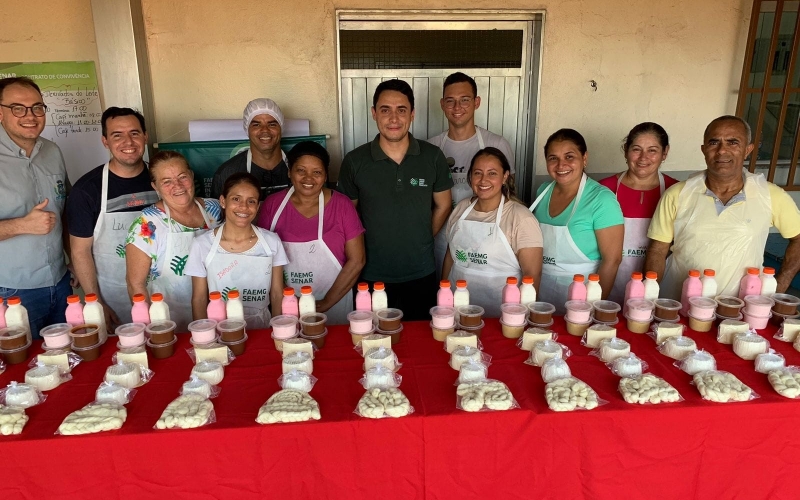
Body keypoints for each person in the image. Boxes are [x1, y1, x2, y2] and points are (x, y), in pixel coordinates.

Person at [646, 115, 800, 299]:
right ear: (704, 150)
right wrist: (650, 299)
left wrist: (776, 290)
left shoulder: (770, 196)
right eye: (713, 142)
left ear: (748, 150)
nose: (722, 151)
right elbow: (657, 249)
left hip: (742, 308)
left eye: (733, 142)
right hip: (679, 303)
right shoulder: (678, 194)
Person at [338, 79, 453, 321]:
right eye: (385, 110)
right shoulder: (355, 161)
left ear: (412, 114)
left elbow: (444, 204)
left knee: (420, 346)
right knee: (372, 343)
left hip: (421, 272)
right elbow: (346, 217)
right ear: (373, 113)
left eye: (401, 110)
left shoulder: (432, 157)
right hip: (370, 274)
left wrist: (421, 236)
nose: (393, 118)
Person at [67, 107, 159, 328]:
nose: (128, 142)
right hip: (114, 297)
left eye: (134, 133)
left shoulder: (163, 179)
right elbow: (80, 252)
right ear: (105, 141)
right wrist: (96, 303)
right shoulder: (87, 190)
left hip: (164, 294)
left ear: (145, 136)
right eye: (117, 135)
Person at [258, 141, 365, 325]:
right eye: (301, 170)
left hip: (335, 305)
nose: (309, 178)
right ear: (290, 172)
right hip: (287, 305)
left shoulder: (342, 205)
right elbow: (262, 260)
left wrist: (325, 304)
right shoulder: (272, 205)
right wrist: (290, 300)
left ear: (325, 176)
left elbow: (357, 260)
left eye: (317, 172)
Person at [0, 77, 73, 339]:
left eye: (37, 107)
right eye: (18, 108)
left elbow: (65, 209)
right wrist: (22, 225)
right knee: (19, 372)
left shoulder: (52, 151)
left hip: (61, 282)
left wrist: (74, 262)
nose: (30, 116)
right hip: (11, 292)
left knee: (68, 361)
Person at [428, 72, 517, 278]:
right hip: (440, 237)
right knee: (443, 293)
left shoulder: (496, 144)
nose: (457, 107)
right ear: (442, 104)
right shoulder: (431, 147)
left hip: (487, 238)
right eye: (450, 101)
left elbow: (511, 195)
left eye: (464, 100)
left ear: (476, 102)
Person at [529, 129, 624, 313]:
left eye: (569, 156)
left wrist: (592, 307)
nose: (561, 165)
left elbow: (612, 260)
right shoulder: (543, 191)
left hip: (582, 293)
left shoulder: (602, 200)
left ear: (585, 158)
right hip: (541, 287)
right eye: (553, 158)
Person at [126, 151, 221, 331]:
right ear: (155, 186)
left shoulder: (214, 210)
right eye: (167, 181)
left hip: (217, 312)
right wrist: (151, 330)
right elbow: (135, 284)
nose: (177, 186)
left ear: (192, 176)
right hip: (169, 322)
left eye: (182, 177)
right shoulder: (147, 224)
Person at [442, 147, 542, 317]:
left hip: (502, 314)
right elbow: (451, 255)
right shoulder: (461, 208)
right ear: (470, 176)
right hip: (457, 309)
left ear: (505, 177)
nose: (483, 180)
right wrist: (443, 297)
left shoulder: (520, 217)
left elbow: (532, 275)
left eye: (492, 173)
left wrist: (520, 318)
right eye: (478, 173)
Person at [186, 173, 287, 328]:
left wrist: (280, 331)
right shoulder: (202, 244)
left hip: (261, 327)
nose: (244, 207)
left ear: (258, 206)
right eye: (236, 199)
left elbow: (277, 294)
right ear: (223, 201)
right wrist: (204, 337)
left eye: (251, 201)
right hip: (219, 329)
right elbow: (199, 299)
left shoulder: (271, 241)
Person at [599, 122, 678, 304]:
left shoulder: (675, 191)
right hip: (611, 279)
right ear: (626, 150)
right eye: (636, 149)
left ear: (664, 153)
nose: (643, 158)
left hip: (658, 283)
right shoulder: (605, 189)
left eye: (652, 150)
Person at [211, 98, 289, 201]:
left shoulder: (298, 169)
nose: (265, 130)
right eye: (256, 125)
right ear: (247, 130)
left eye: (272, 124)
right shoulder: (226, 173)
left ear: (281, 128)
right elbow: (216, 215)